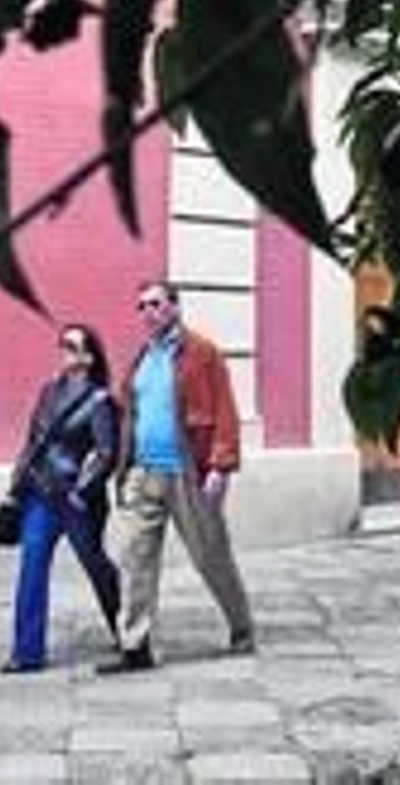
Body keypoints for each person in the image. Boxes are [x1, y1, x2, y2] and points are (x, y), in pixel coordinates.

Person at [99, 280, 255, 674]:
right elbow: (129, 413)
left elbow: (225, 410)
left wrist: (221, 466)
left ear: (175, 306)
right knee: (134, 560)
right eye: (141, 306)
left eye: (155, 304)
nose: (147, 312)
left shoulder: (202, 353)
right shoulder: (142, 358)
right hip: (143, 472)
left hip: (187, 473)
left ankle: (241, 627)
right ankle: (135, 646)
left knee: (211, 556)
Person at [1, 322, 121, 673]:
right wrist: (17, 482)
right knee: (32, 566)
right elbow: (33, 441)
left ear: (88, 357)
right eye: (62, 344)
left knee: (96, 565)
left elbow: (106, 453)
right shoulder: (48, 391)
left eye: (71, 345)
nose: (63, 350)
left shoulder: (99, 400)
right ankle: (27, 653)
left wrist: (83, 491)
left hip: (76, 500)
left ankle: (126, 629)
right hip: (40, 493)